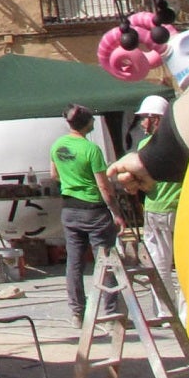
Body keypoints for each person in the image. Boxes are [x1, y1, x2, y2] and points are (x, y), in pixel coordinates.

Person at [52, 104, 124, 323]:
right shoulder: (91, 149)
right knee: (105, 261)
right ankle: (111, 313)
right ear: (86, 122)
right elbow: (104, 187)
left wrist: (72, 180)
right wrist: (117, 213)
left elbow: (54, 174)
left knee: (74, 263)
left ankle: (77, 313)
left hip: (70, 210)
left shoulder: (58, 146)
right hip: (94, 210)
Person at [132, 95, 180, 285]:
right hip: (180, 208)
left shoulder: (146, 146)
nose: (142, 123)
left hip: (157, 211)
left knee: (160, 267)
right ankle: (186, 313)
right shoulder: (180, 144)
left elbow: (144, 183)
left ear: (156, 119)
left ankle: (164, 311)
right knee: (185, 265)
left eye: (144, 118)